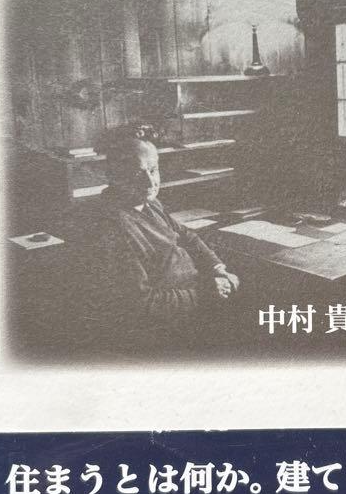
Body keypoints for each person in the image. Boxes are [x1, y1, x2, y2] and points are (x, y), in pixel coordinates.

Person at [78, 124, 239, 353]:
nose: (149, 182)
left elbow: (186, 235)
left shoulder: (149, 203)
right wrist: (206, 292)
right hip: (166, 327)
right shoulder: (111, 227)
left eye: (153, 170)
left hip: (197, 294)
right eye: (136, 173)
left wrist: (218, 268)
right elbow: (142, 304)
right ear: (112, 175)